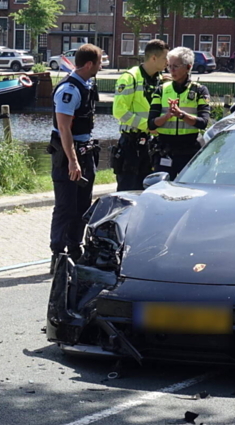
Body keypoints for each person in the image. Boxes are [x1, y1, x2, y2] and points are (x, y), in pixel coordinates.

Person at [48, 43, 103, 273]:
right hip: (69, 154)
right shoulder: (69, 90)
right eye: (99, 63)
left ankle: (75, 249)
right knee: (66, 206)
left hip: (85, 151)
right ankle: (58, 254)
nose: (101, 67)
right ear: (89, 64)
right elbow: (64, 128)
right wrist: (72, 161)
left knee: (83, 206)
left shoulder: (87, 85)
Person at [112, 38, 168, 191]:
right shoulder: (130, 77)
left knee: (147, 191)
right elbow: (119, 111)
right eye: (164, 58)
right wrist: (148, 125)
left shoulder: (160, 80)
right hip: (131, 143)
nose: (167, 62)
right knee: (127, 191)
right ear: (153, 58)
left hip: (150, 144)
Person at [147, 46, 210, 180]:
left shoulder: (200, 90)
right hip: (165, 151)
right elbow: (151, 124)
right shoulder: (161, 90)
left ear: (188, 67)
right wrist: (167, 116)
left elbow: (203, 122)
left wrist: (181, 115)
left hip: (189, 151)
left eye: (175, 66)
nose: (171, 70)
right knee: (161, 191)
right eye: (169, 66)